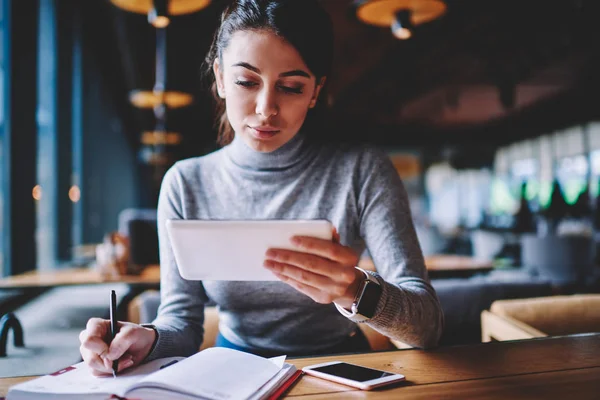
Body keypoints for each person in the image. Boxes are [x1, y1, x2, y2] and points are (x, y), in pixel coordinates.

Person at [79, 0, 444, 376]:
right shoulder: (186, 183)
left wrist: (355, 290)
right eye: (246, 82)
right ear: (220, 78)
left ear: (315, 92)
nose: (267, 108)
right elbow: (182, 321)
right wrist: (146, 338)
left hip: (341, 369)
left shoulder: (362, 171)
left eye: (290, 87)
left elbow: (427, 327)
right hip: (232, 371)